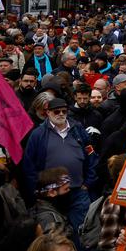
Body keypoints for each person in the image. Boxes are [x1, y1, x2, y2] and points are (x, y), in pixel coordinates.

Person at [21, 96, 99, 233]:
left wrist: (88, 183)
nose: (61, 114)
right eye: (57, 112)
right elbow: (29, 165)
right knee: (55, 235)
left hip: (77, 192)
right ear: (48, 113)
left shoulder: (78, 130)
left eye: (64, 111)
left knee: (82, 232)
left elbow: (91, 156)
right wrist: (36, 190)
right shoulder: (38, 134)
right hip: (50, 195)